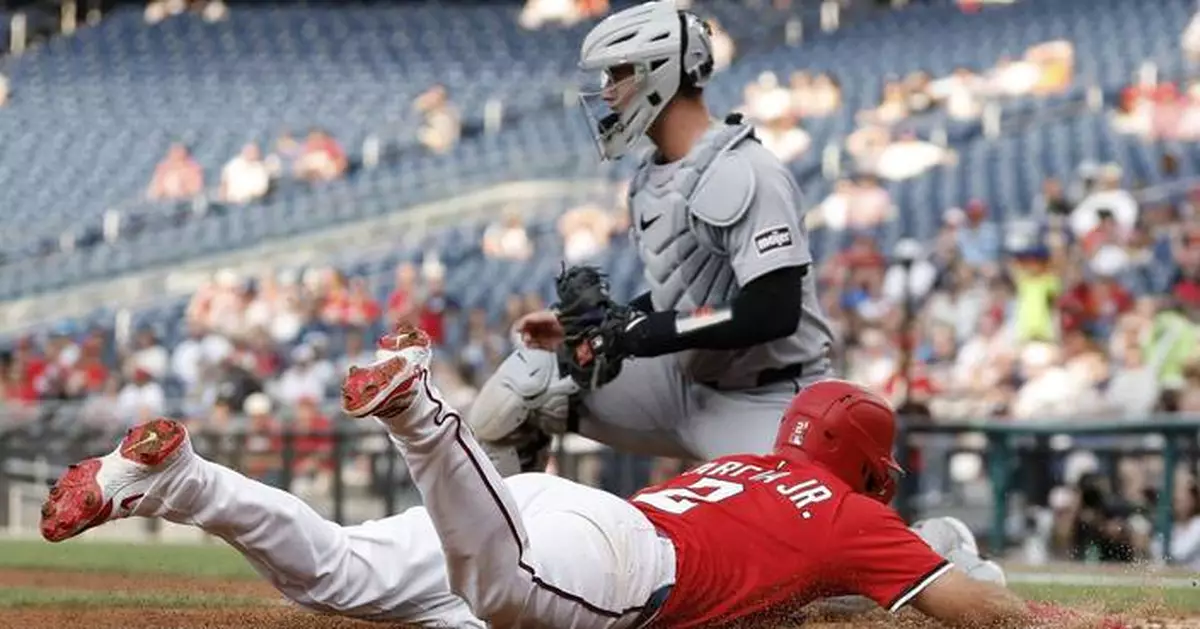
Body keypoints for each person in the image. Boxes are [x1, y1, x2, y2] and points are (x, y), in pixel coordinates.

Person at [39, 324, 1118, 629]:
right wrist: (1069, 622)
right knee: (501, 592)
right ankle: (421, 409)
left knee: (338, 574)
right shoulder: (846, 513)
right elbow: (977, 609)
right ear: (866, 466)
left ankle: (177, 478)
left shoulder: (749, 461)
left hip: (574, 512)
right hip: (610, 566)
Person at [470, 0, 837, 475]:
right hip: (682, 384)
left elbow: (772, 309)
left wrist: (641, 333)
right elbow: (683, 294)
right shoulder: (650, 179)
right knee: (524, 388)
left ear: (657, 73)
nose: (607, 94)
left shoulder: (745, 170)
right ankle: (517, 547)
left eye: (616, 75)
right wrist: (601, 325)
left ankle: (941, 545)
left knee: (795, 547)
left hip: (768, 401)